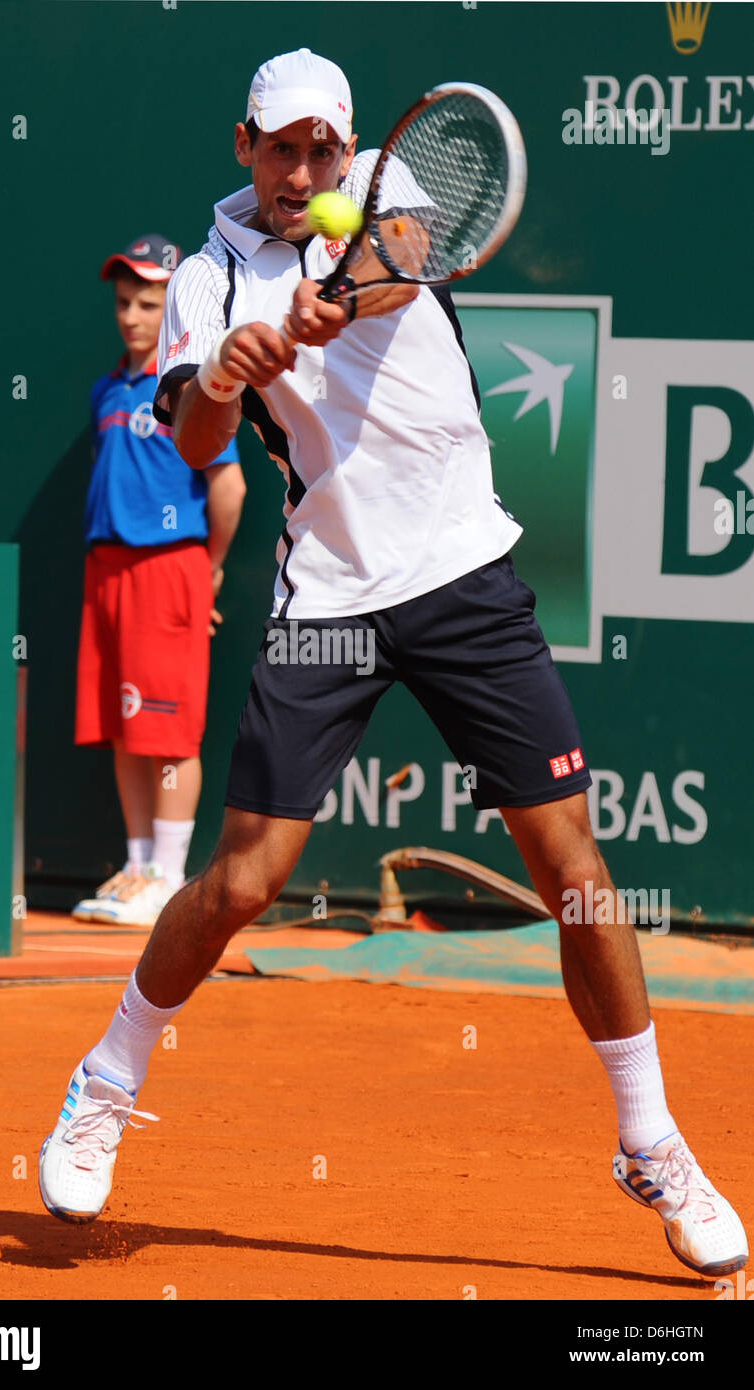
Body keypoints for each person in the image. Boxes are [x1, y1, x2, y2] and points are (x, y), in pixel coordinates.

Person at [40, 52, 747, 1279]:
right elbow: (196, 428)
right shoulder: (206, 275)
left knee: (573, 866)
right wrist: (226, 368)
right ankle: (104, 1082)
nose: (301, 169)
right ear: (243, 145)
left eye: (320, 148)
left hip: (467, 574)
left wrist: (323, 298)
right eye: (279, 148)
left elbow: (404, 257)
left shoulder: (385, 183)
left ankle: (651, 1139)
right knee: (247, 876)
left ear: (348, 148)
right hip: (331, 593)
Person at [70, 234, 246, 926]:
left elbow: (226, 487)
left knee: (170, 733)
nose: (132, 316)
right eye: (123, 302)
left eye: (148, 303)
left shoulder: (191, 387)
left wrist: (205, 573)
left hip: (169, 567)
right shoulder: (107, 389)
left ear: (173, 305)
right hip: (106, 570)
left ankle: (171, 881)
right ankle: (139, 868)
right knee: (125, 726)